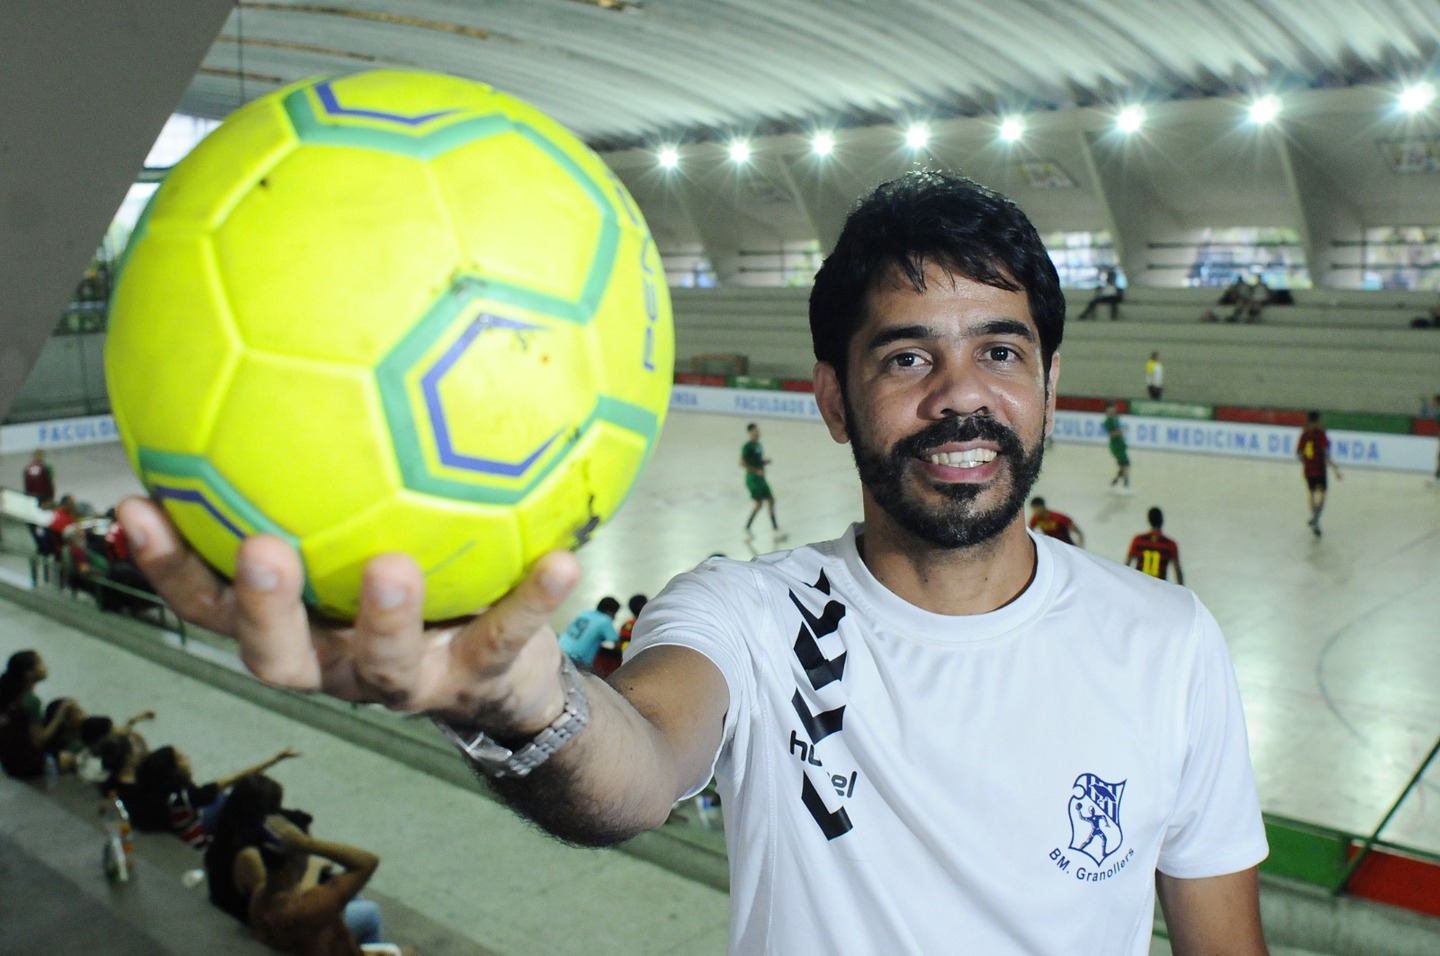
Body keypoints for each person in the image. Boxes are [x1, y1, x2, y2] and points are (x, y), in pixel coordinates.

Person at [118, 172, 1269, 955]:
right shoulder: (750, 615)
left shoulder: (1167, 642)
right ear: (832, 398)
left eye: (1000, 350)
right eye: (907, 353)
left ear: (1051, 386)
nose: (960, 392)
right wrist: (517, 705)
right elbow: (637, 764)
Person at [239, 811, 396, 956]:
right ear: (297, 856)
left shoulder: (259, 895)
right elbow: (368, 862)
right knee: (381, 927)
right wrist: (306, 844)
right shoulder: (307, 908)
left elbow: (260, 864)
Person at [129, 744, 300, 848]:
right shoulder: (188, 797)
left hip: (183, 826)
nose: (188, 759)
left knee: (220, 799)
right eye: (181, 758)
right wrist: (275, 759)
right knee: (224, 800)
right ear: (173, 771)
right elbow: (238, 778)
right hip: (198, 845)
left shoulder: (155, 791)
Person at [0, 651, 81, 779]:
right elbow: (39, 741)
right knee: (72, 759)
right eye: (40, 664)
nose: (45, 667)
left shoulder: (8, 692)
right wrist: (59, 716)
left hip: (7, 757)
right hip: (25, 764)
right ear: (28, 673)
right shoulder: (31, 701)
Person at [1297, 410, 1341, 537]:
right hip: (1320, 468)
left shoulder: (1304, 434)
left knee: (1311, 493)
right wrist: (1335, 469)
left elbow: (1299, 454)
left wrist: (1306, 461)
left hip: (1309, 469)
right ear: (1317, 420)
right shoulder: (1321, 433)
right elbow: (1326, 452)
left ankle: (1314, 517)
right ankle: (1316, 518)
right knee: (1322, 493)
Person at [740, 422, 782, 538]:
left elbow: (757, 460)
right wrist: (756, 471)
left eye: (758, 430)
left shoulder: (758, 445)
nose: (758, 432)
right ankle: (748, 526)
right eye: (755, 431)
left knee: (771, 500)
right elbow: (743, 463)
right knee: (759, 503)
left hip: (761, 478)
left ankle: (775, 526)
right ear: (750, 432)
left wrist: (764, 462)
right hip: (752, 479)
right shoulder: (747, 447)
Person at [556, 596, 621, 670]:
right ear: (610, 611)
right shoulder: (605, 620)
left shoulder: (585, 613)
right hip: (575, 660)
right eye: (615, 614)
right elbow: (617, 644)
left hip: (558, 649)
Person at [1126, 507, 1184, 584]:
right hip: (1159, 587)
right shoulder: (1170, 544)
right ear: (1162, 521)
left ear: (1149, 521)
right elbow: (1177, 571)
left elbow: (1127, 565)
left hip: (1139, 585)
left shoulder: (1138, 540)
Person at [1103, 401, 1131, 491]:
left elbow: (1118, 431)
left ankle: (1114, 483)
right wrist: (1122, 431)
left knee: (1123, 466)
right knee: (1126, 464)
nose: (1112, 411)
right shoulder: (1107, 422)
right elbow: (1112, 434)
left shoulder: (1116, 418)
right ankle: (1125, 485)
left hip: (1120, 445)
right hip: (1116, 446)